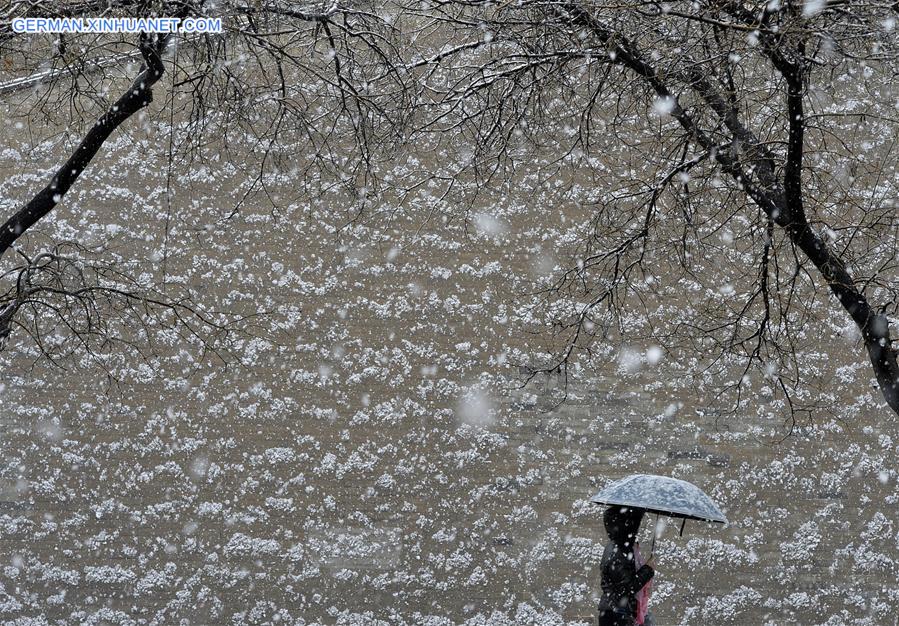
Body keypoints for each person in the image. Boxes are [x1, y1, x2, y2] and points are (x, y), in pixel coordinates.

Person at [597, 506, 655, 626]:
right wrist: (647, 569)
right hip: (617, 613)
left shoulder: (619, 547)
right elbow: (628, 587)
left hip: (617, 611)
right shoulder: (618, 551)